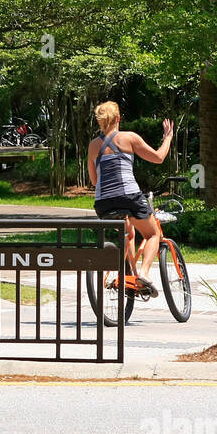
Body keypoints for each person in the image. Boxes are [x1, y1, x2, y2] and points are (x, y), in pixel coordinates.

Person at [87, 101, 174, 296]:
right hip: (128, 196)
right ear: (118, 119)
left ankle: (132, 278)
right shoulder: (129, 138)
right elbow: (159, 157)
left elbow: (94, 180)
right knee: (153, 235)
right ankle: (143, 274)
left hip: (102, 202)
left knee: (129, 234)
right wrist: (168, 137)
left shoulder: (93, 145)